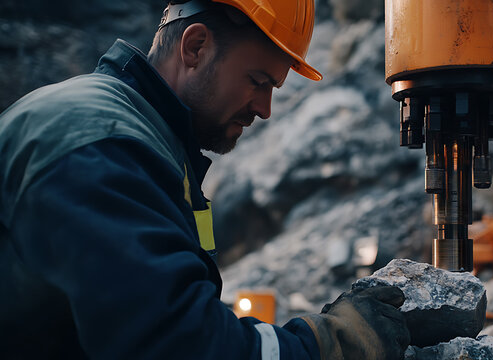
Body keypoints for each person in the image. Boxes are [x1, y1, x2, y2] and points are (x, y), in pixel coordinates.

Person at [0, 0, 410, 359]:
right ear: (195, 47)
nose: (265, 109)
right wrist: (327, 345)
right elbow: (179, 344)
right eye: (258, 81)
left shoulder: (144, 141)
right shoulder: (98, 144)